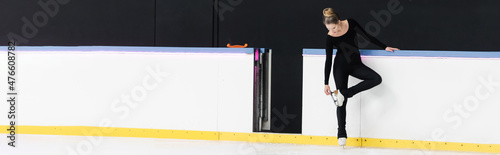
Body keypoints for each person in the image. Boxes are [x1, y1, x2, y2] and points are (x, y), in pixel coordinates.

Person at [322, 8, 399, 147]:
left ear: (339, 22)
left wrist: (384, 47)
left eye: (333, 28)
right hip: (340, 66)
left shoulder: (350, 23)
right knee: (341, 103)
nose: (332, 31)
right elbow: (328, 60)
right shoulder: (329, 37)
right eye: (329, 29)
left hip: (356, 64)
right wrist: (325, 82)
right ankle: (341, 133)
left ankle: (344, 93)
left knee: (376, 79)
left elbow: (367, 36)